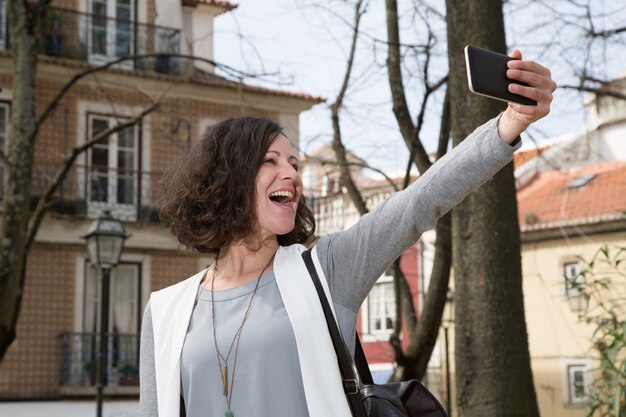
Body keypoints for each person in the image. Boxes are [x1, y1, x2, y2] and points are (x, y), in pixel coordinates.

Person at [139, 50, 557, 417]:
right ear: (225, 180)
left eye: (295, 164)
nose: (291, 174)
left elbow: (417, 202)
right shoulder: (165, 310)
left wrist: (510, 122)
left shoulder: (326, 269)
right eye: (271, 161)